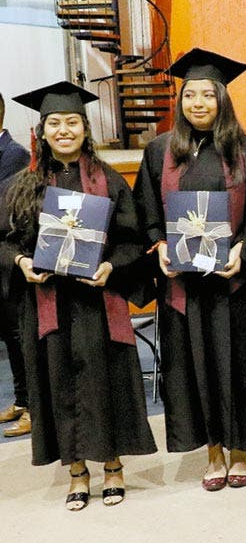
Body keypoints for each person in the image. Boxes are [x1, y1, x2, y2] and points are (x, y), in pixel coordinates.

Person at [1, 82, 156, 510]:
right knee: (59, 383)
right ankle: (76, 471)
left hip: (97, 302)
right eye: (55, 123)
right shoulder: (23, 184)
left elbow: (132, 240)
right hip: (49, 303)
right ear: (42, 130)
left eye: (72, 122)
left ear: (85, 129)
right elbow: (4, 242)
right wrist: (21, 262)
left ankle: (113, 466)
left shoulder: (108, 181)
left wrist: (111, 267)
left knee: (105, 381)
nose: (64, 130)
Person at [134, 48, 246, 492]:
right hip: (183, 288)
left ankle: (240, 453)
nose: (198, 103)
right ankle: (213, 453)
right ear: (180, 101)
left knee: (239, 369)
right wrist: (159, 248)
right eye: (190, 95)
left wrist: (244, 251)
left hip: (232, 285)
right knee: (192, 370)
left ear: (222, 100)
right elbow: (145, 215)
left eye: (207, 95)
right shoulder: (159, 152)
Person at [0, 92, 31, 437]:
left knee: (21, 334)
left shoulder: (14, 155)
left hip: (12, 257)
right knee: (9, 335)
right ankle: (22, 399)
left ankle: (35, 406)